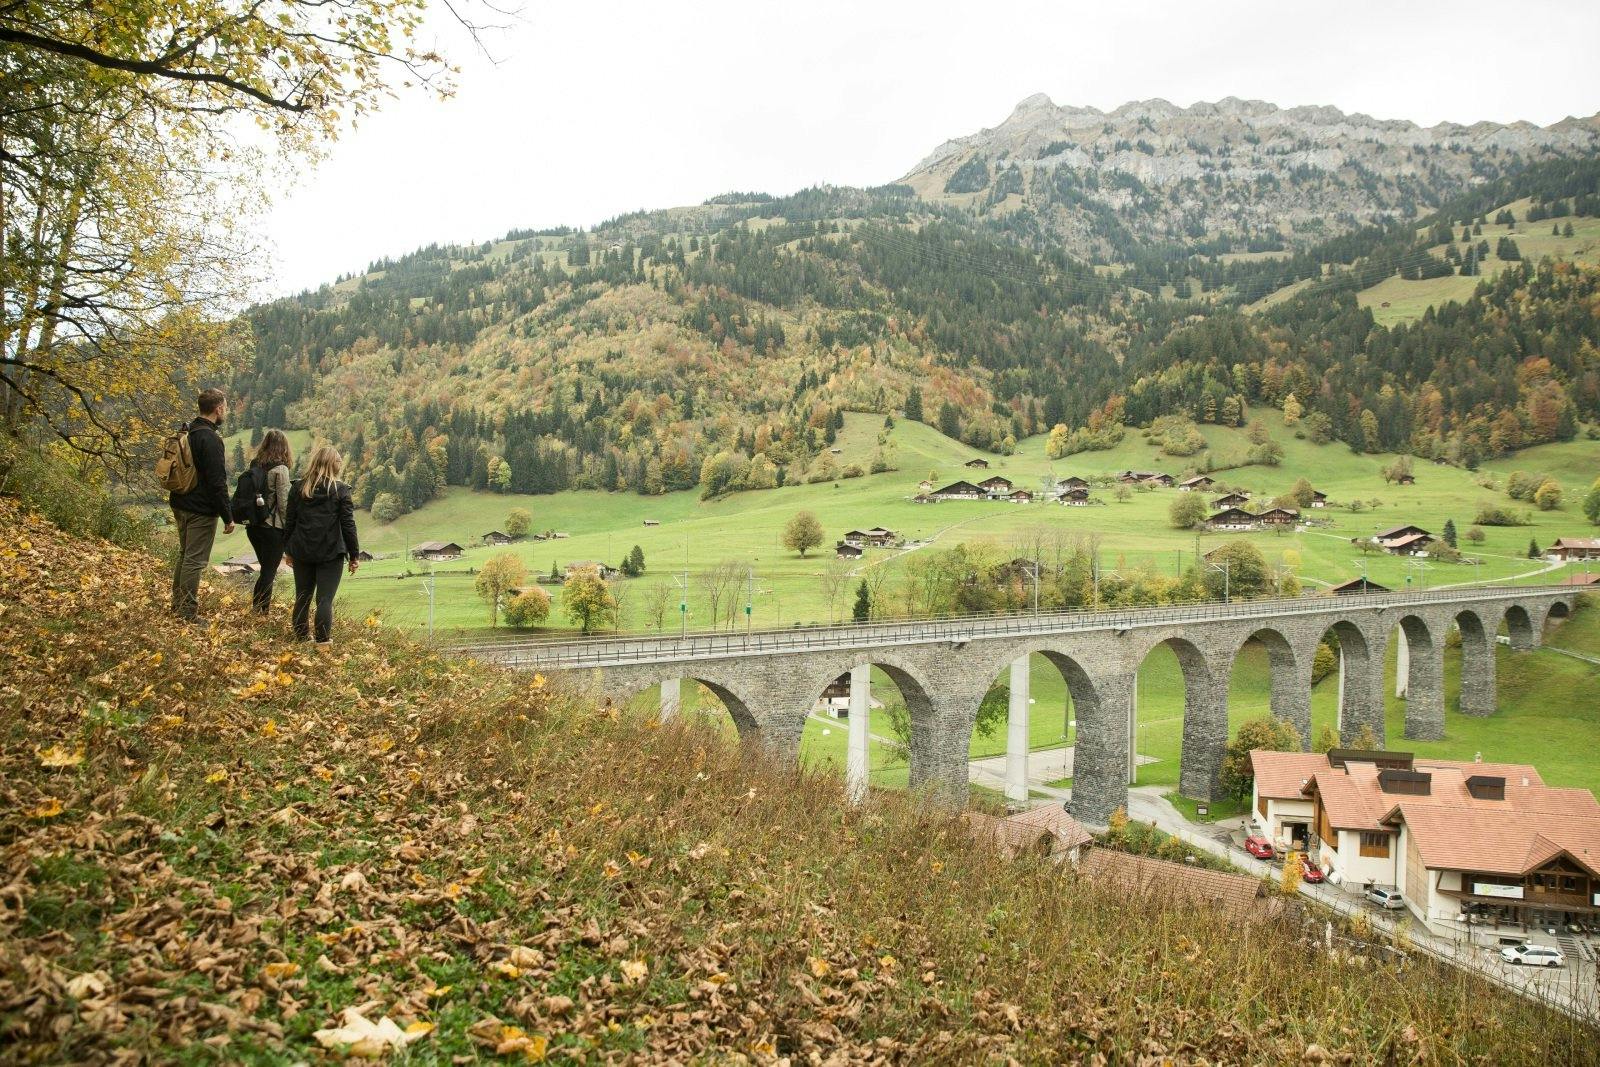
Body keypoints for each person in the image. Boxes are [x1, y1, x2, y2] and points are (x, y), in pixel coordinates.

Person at [169, 387, 235, 620]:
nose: (225, 411)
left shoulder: (187, 432)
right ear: (218, 409)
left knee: (185, 554)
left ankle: (177, 605)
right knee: (195, 561)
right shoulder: (211, 439)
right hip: (200, 509)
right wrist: (227, 516)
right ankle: (187, 612)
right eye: (224, 407)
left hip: (180, 501)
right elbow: (218, 483)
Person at [283, 445, 359, 646]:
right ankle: (323, 642)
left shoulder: (298, 488)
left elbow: (289, 522)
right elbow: (348, 525)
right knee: (324, 600)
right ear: (332, 464)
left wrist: (288, 551)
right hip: (331, 552)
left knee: (302, 596)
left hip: (302, 550)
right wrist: (354, 555)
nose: (341, 462)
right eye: (339, 459)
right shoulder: (340, 490)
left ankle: (301, 640)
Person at [243, 430, 293, 613]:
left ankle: (258, 609)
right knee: (269, 572)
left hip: (253, 526)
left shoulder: (255, 465)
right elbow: (284, 503)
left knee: (266, 569)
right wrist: (290, 529)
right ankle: (260, 612)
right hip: (272, 527)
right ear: (284, 448)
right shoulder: (281, 469)